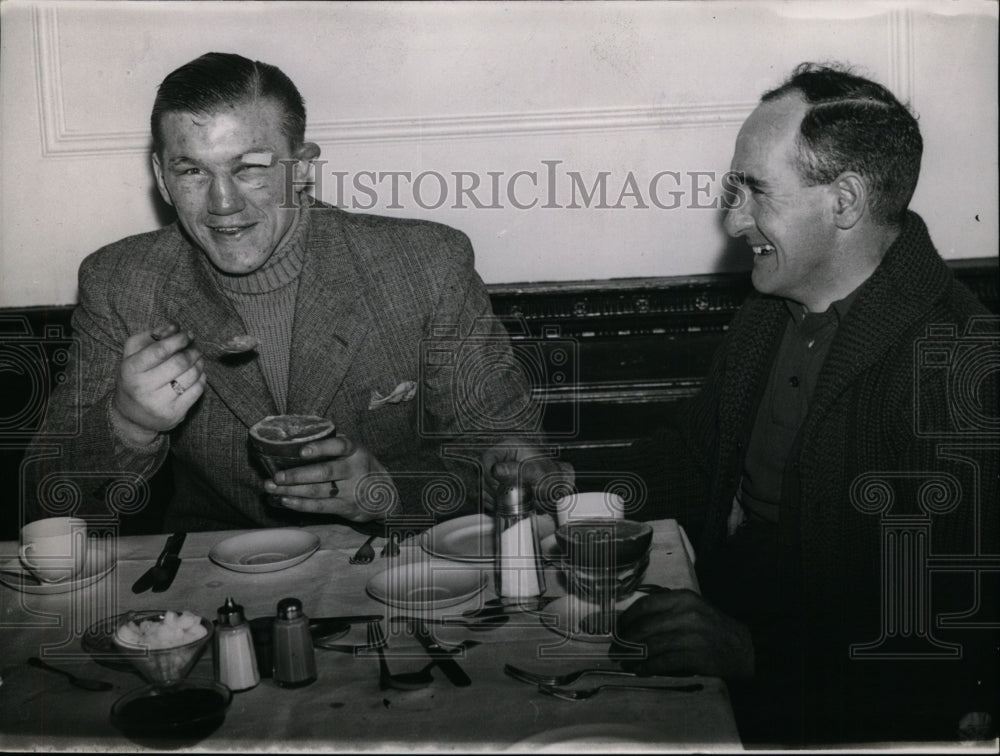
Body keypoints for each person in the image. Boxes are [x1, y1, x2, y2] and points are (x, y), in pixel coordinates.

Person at [593, 63, 998, 746]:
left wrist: (752, 654)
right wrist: (562, 496)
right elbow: (691, 462)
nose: (732, 217)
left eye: (755, 191)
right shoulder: (769, 311)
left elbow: (954, 656)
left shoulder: (960, 369)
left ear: (843, 202)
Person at [23, 52, 566, 533]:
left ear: (302, 168)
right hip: (216, 585)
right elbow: (47, 498)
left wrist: (388, 491)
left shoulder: (425, 264)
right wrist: (128, 420)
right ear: (162, 178)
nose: (223, 203)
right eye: (191, 170)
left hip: (404, 567)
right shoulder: (120, 281)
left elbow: (499, 452)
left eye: (251, 168)